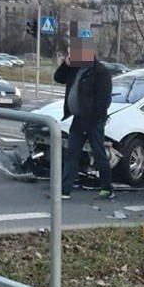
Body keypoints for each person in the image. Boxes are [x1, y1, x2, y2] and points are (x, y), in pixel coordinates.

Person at [54, 36, 114, 199]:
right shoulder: (75, 68)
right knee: (71, 153)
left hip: (94, 120)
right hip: (79, 118)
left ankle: (107, 188)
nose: (72, 55)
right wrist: (66, 64)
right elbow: (58, 78)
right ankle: (64, 189)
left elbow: (103, 99)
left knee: (99, 153)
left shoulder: (100, 72)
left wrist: (95, 119)